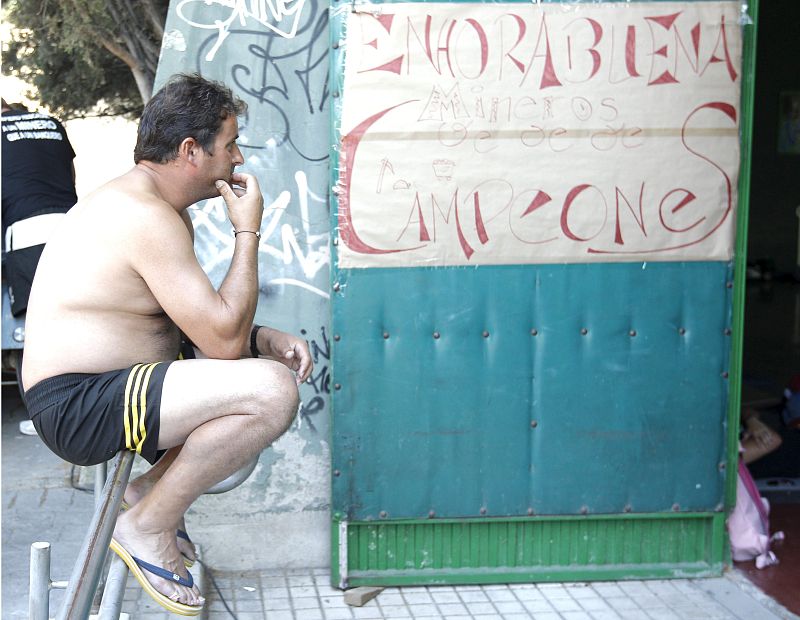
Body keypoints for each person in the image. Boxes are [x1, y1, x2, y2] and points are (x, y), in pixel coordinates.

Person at [21, 74, 313, 614]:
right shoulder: (143, 214)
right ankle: (148, 524)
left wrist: (260, 337)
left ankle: (144, 496)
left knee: (247, 380)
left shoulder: (155, 207)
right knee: (272, 392)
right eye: (230, 145)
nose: (238, 159)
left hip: (104, 391)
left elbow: (191, 324)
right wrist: (248, 232)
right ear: (191, 150)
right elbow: (221, 344)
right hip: (78, 402)